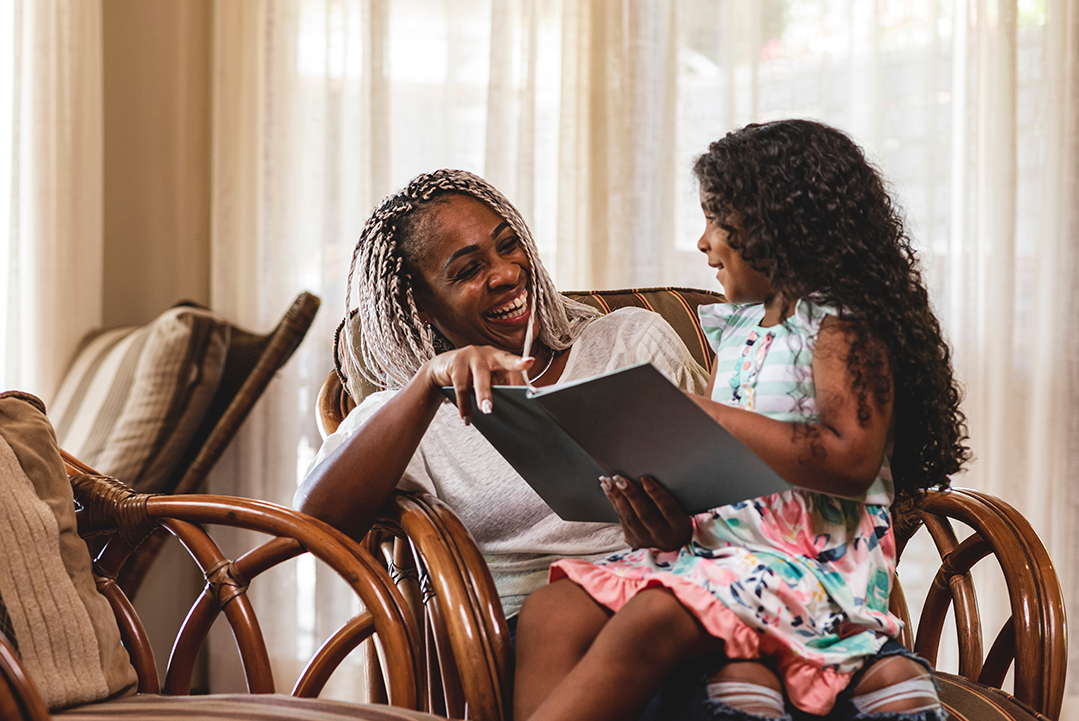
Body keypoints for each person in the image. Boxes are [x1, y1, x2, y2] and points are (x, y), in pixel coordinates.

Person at [512, 120, 969, 721]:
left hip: (813, 569)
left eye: (715, 219)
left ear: (779, 224)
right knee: (554, 607)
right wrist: (666, 505)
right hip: (723, 554)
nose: (703, 243)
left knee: (651, 618)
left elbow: (851, 459)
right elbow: (733, 479)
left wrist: (696, 415)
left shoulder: (841, 324)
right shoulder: (737, 330)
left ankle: (845, 666)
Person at [294, 168, 710, 620]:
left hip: (673, 601)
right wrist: (430, 381)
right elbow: (317, 523)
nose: (508, 273)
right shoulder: (413, 414)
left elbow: (730, 487)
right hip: (520, 636)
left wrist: (680, 534)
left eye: (508, 245)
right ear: (422, 306)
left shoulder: (630, 342)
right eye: (469, 269)